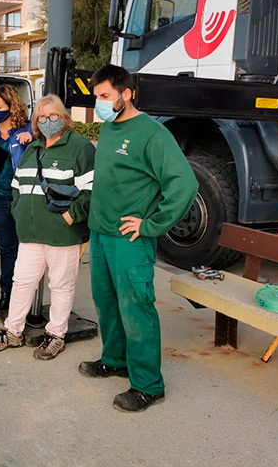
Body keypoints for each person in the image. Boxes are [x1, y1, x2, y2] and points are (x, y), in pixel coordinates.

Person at [80, 64, 197, 412]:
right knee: (108, 303)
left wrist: (151, 224)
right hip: (101, 236)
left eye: (104, 96)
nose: (98, 103)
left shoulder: (151, 134)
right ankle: (115, 359)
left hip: (130, 240)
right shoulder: (111, 128)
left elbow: (184, 184)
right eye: (96, 96)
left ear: (125, 94)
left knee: (136, 310)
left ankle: (148, 385)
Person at [0, 94, 94, 360]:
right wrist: (19, 213)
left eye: (53, 116)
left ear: (64, 118)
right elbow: (17, 186)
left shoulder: (80, 148)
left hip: (62, 235)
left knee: (61, 286)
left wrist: (70, 217)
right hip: (30, 234)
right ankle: (12, 331)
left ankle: (56, 335)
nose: (47, 121)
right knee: (21, 282)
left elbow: (92, 190)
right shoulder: (34, 148)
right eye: (41, 117)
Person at [0, 85, 33, 318]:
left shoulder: (29, 129)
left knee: (28, 250)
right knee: (6, 249)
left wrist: (31, 139)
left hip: (25, 199)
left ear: (13, 106)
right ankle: (6, 296)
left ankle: (26, 299)